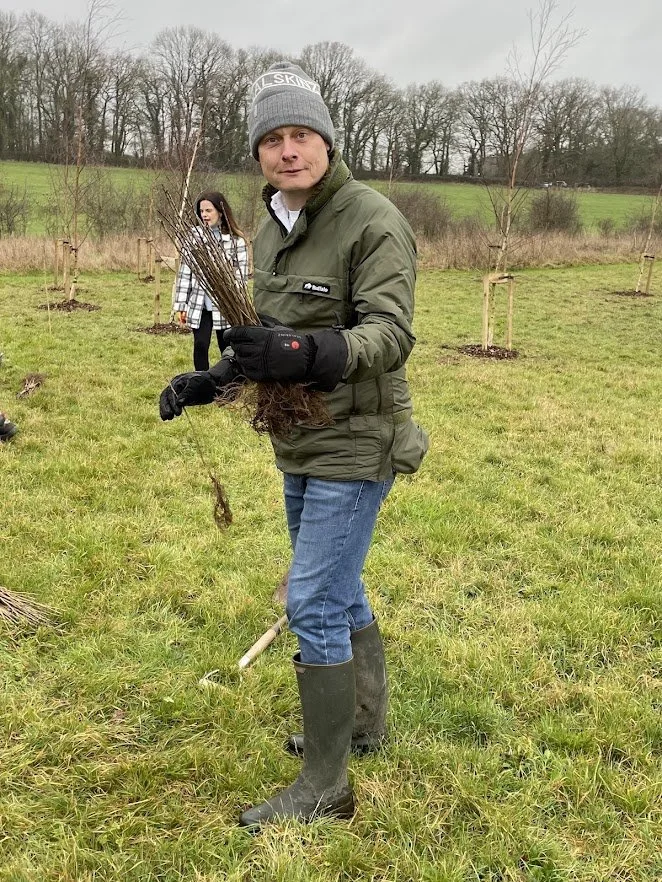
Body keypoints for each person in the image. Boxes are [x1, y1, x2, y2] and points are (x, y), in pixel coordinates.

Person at [159, 61, 428, 829]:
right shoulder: (273, 227)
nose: (287, 150)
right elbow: (260, 343)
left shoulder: (372, 220)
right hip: (298, 442)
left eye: (300, 134)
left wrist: (309, 355)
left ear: (327, 140)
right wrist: (209, 381)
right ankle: (364, 723)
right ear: (257, 154)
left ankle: (326, 788)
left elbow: (390, 334)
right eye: (271, 138)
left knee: (312, 599)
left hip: (359, 436)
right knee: (341, 588)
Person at [173, 191, 248, 370]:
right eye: (201, 211)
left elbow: (241, 277)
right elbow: (185, 272)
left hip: (224, 305)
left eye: (209, 210)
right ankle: (201, 382)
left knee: (226, 347)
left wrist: (238, 305)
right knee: (200, 345)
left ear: (220, 212)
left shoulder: (236, 241)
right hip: (200, 303)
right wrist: (181, 305)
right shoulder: (194, 238)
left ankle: (229, 385)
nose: (204, 215)